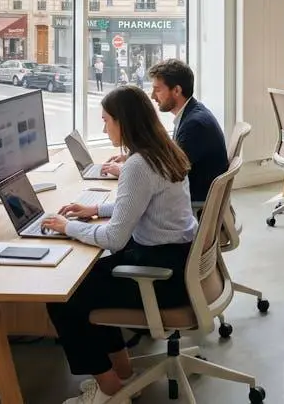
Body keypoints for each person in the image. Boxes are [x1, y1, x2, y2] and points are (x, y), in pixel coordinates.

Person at [40, 86, 200, 404]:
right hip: (177, 262)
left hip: (159, 276)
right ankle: (123, 375)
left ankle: (112, 391)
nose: (103, 128)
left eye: (106, 121)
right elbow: (143, 205)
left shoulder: (138, 165)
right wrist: (95, 210)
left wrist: (67, 227)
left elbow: (115, 238)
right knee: (87, 283)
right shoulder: (163, 150)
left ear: (123, 122)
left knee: (65, 297)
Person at [136, 59, 227, 205]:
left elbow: (170, 172)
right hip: (195, 191)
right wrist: (141, 155)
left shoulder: (195, 125)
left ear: (177, 90)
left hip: (196, 200)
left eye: (157, 90)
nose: (152, 96)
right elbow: (172, 155)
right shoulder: (192, 112)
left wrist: (129, 170)